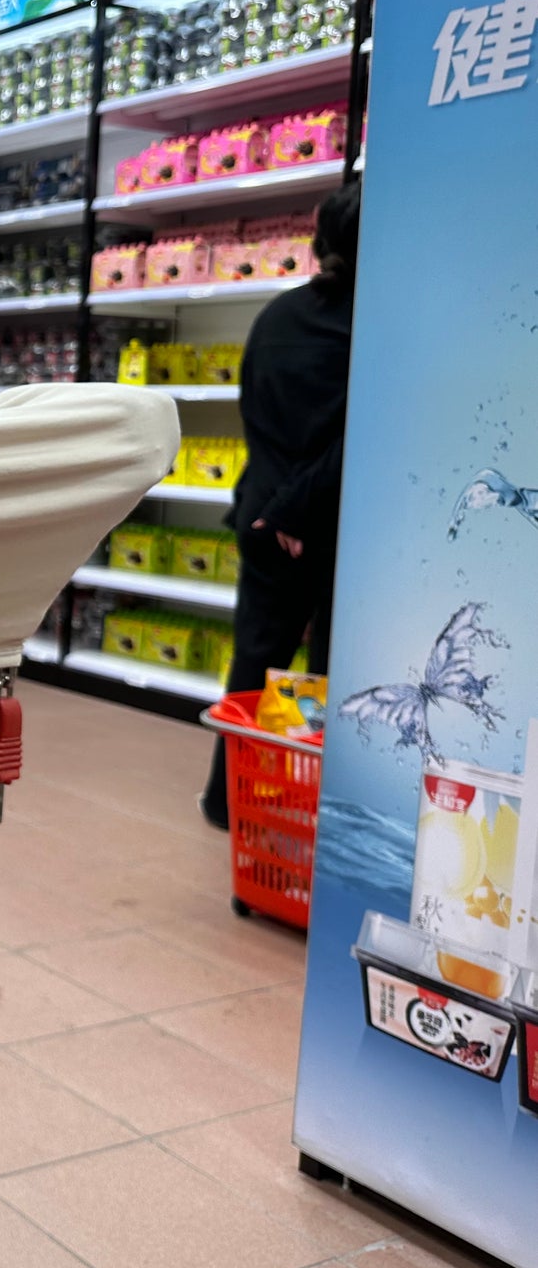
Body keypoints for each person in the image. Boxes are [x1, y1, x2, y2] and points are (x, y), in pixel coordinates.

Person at [202, 180, 359, 829]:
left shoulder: (274, 317)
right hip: (325, 526)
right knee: (330, 671)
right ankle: (314, 801)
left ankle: (228, 796)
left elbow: (257, 423)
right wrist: (298, 511)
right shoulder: (369, 325)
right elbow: (357, 438)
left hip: (264, 519)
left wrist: (270, 509)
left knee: (255, 658)